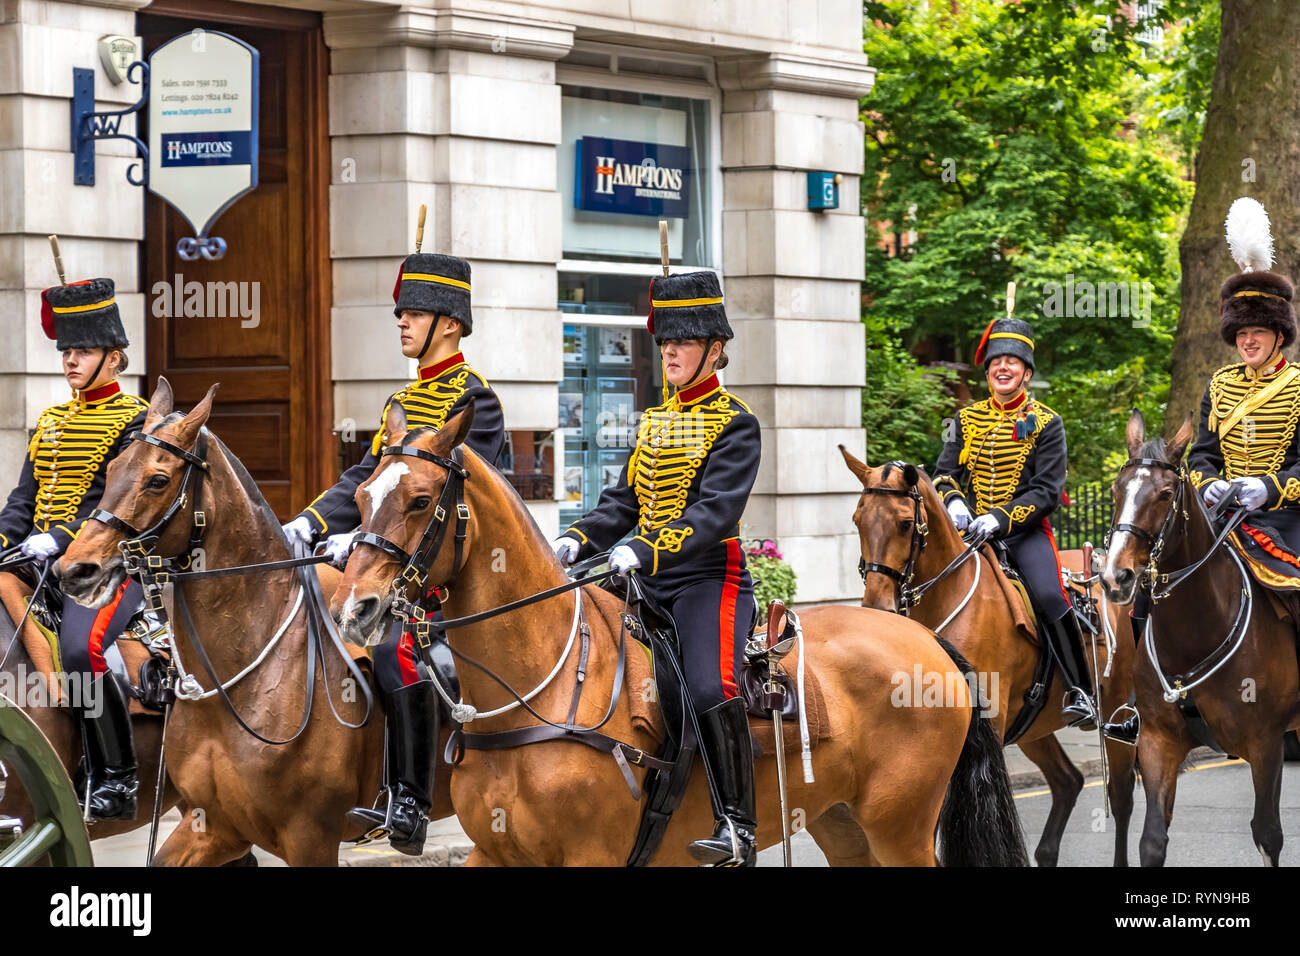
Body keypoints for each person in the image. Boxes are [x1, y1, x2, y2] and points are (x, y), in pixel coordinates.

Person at [282, 253, 504, 855]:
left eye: (414, 313)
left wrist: (363, 541)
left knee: (395, 652)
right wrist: (309, 520)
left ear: (450, 325)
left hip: (442, 572)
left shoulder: (473, 400)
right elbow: (369, 476)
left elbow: (459, 504)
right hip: (388, 561)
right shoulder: (400, 404)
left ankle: (408, 796)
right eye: (400, 313)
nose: (401, 323)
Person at [552, 271, 762, 866]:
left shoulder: (735, 421)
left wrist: (641, 550)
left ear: (714, 350)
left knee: (706, 685)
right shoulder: (654, 420)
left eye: (683, 340)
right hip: (641, 583)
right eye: (664, 340)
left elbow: (714, 514)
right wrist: (575, 540)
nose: (669, 349)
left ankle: (736, 824)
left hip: (706, 581)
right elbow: (623, 503)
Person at [932, 317, 1135, 741]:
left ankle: (1079, 689)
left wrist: (1000, 518)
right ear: (986, 371)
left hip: (1022, 534)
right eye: (995, 362)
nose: (1002, 368)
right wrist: (953, 502)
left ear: (1026, 372)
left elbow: (1046, 490)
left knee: (1047, 594)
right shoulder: (964, 419)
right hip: (968, 532)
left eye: (1012, 362)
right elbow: (944, 473)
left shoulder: (1046, 422)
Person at [0, 276, 148, 818]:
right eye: (65, 350)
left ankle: (118, 777)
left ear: (114, 357)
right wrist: (6, 540)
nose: (69, 360)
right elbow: (22, 500)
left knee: (78, 650)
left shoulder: (135, 422)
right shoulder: (52, 421)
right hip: (35, 564)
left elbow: (117, 506)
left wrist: (59, 540)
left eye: (82, 350)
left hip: (107, 570)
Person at [1183, 198, 1300, 621]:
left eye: (1259, 332)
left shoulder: (1298, 385)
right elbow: (1202, 454)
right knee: (1156, 590)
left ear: (1279, 335)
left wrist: (1269, 489)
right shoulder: (1219, 384)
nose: (1249, 341)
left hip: (1283, 517)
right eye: (1242, 333)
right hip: (1222, 513)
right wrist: (1209, 482)